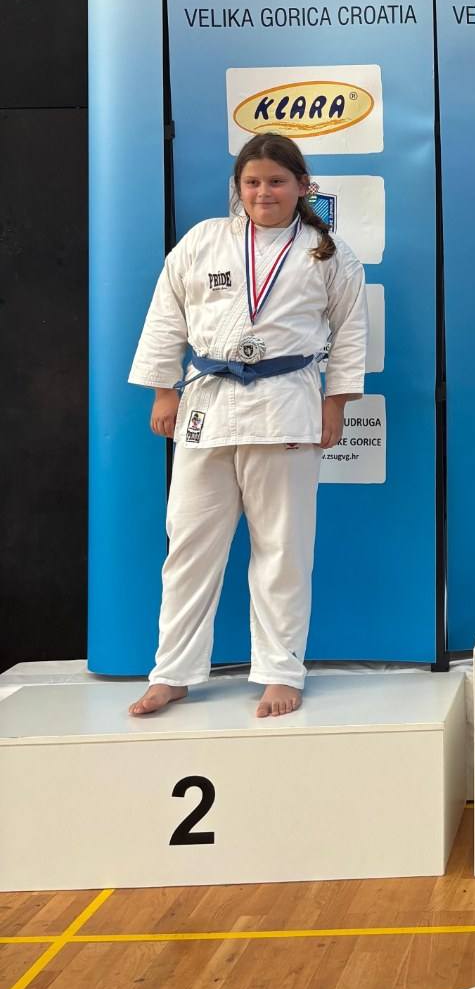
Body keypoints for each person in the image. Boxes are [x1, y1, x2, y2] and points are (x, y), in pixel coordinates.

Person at [126, 133, 367, 718]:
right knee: (188, 545)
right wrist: (163, 389)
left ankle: (281, 671)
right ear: (237, 187)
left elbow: (350, 334)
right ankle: (173, 671)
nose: (264, 192)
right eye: (253, 182)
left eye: (277, 181)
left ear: (303, 187)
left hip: (285, 405)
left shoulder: (327, 254)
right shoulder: (204, 240)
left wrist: (335, 405)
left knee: (282, 548)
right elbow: (167, 314)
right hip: (207, 404)